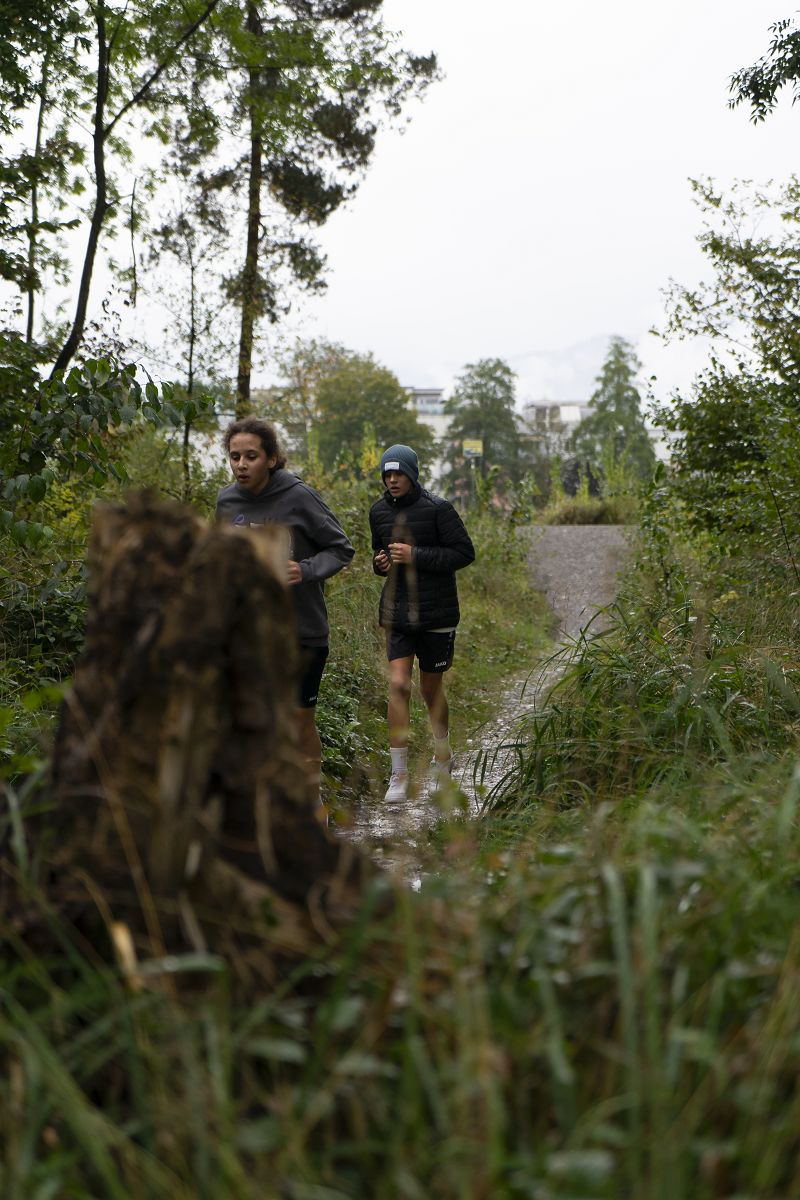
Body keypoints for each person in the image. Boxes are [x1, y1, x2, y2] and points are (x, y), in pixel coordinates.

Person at [216, 416, 354, 808]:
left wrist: (304, 570)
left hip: (302, 630)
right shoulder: (227, 502)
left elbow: (341, 548)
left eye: (251, 456)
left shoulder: (299, 497)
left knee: (297, 721)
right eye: (235, 457)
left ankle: (312, 806)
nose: (241, 464)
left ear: (272, 459)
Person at [369, 443, 475, 802]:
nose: (392, 479)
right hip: (397, 612)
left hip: (437, 613)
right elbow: (379, 554)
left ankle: (442, 756)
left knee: (430, 690)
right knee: (399, 685)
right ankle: (398, 774)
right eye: (387, 474)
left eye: (398, 473)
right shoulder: (378, 511)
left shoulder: (438, 509)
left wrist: (416, 555)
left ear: (412, 475)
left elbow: (464, 553)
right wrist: (380, 563)